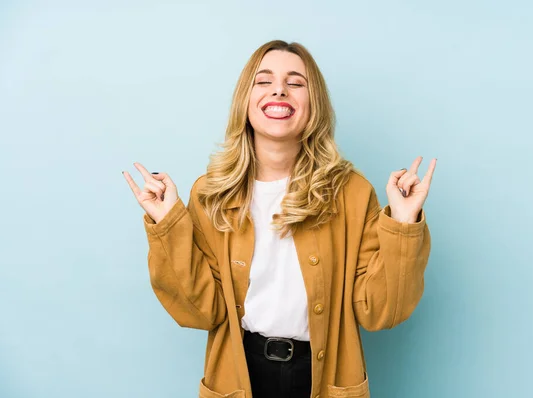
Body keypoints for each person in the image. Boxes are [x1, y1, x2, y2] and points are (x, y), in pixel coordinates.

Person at [123, 39, 436, 398]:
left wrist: (403, 221)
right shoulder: (210, 192)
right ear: (246, 99)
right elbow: (199, 312)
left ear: (313, 103)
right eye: (264, 80)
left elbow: (381, 312)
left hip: (323, 377)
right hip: (240, 375)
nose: (279, 90)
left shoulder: (351, 192)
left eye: (296, 82)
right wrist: (169, 226)